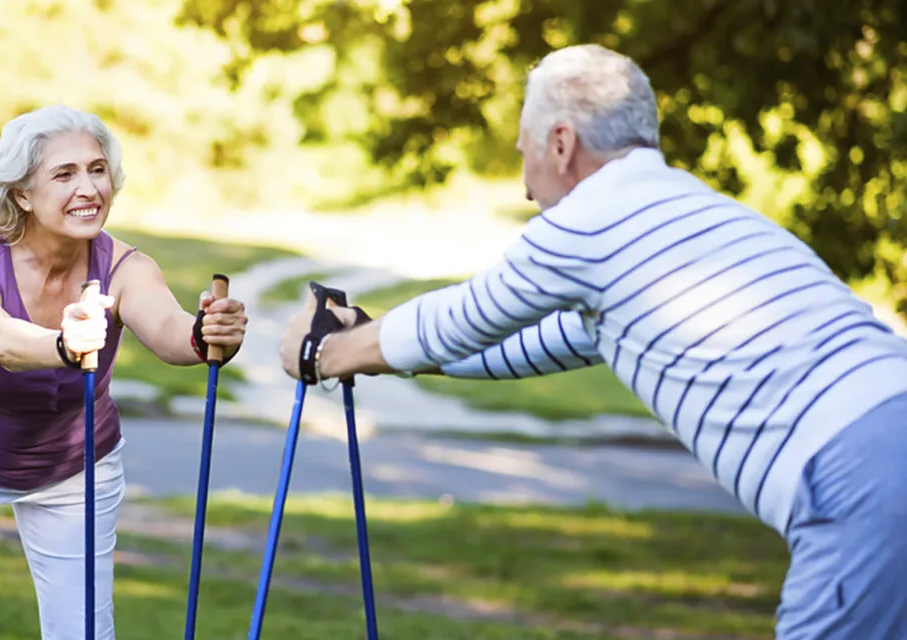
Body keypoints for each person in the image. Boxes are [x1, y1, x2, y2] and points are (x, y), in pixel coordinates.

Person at [279, 44, 907, 638]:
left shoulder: (594, 218)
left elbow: (465, 315)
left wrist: (324, 354)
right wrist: (370, 339)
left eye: (522, 151)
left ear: (560, 143)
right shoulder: (681, 212)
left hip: (857, 476)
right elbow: (522, 342)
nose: (524, 184)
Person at [0, 104, 248, 639]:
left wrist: (206, 334)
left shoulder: (126, 267)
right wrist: (62, 343)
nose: (89, 187)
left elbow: (171, 332)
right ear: (22, 193)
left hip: (77, 467)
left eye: (97, 169)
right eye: (65, 173)